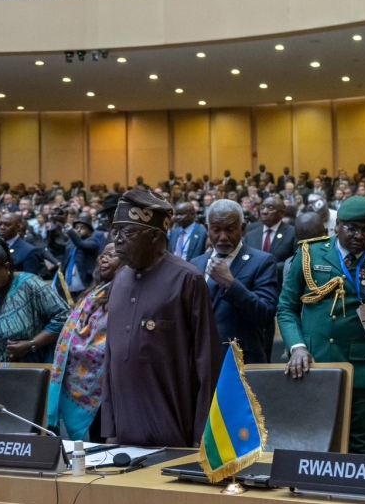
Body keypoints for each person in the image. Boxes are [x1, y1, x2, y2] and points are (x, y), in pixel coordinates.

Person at [102, 189, 221, 448]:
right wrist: (110, 429)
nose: (118, 241)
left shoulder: (187, 279)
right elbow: (110, 360)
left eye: (128, 232)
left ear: (156, 236)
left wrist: (203, 437)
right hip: (123, 435)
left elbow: (207, 364)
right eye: (115, 232)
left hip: (174, 432)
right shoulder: (119, 280)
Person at [279, 197, 365, 453]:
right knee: (311, 446)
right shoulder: (309, 254)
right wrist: (296, 346)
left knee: (360, 448)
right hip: (313, 366)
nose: (359, 236)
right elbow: (286, 308)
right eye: (352, 228)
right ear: (337, 225)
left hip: (362, 372)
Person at [190, 200, 279, 364]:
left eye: (230, 229)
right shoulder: (196, 263)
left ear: (242, 228)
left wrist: (230, 283)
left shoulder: (262, 261)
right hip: (202, 361)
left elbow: (266, 314)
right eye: (216, 229)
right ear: (207, 228)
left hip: (241, 363)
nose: (223, 237)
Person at [47, 242, 118, 442]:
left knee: (102, 439)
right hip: (76, 374)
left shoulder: (125, 293)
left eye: (112, 255)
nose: (104, 258)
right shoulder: (95, 292)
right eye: (103, 255)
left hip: (104, 382)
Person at [0, 240, 69, 364]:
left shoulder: (29, 285)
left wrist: (32, 344)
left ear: (6, 267)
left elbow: (64, 318)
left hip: (20, 374)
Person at [58, 213, 103, 300]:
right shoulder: (71, 242)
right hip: (68, 286)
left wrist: (70, 230)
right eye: (76, 227)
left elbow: (81, 244)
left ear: (90, 231)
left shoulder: (93, 242)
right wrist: (51, 231)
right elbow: (57, 247)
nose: (78, 230)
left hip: (85, 285)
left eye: (82, 228)